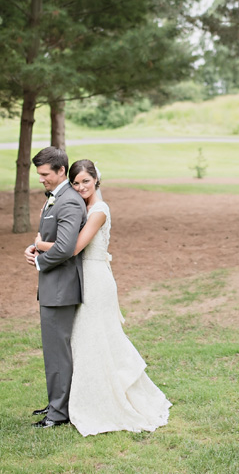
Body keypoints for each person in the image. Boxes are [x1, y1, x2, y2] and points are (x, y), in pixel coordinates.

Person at [34, 159, 171, 436]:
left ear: (97, 179)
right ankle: (77, 400)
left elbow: (73, 247)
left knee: (98, 339)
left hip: (96, 280)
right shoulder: (79, 206)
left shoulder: (98, 210)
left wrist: (38, 246)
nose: (81, 186)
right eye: (76, 183)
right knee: (84, 341)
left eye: (86, 181)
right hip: (83, 279)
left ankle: (105, 401)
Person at [24, 146, 87, 429]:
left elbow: (65, 248)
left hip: (61, 289)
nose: (41, 179)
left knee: (57, 352)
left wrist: (39, 262)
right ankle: (56, 403)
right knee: (54, 351)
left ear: (61, 171)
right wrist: (35, 248)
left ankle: (58, 413)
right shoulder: (56, 198)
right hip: (54, 286)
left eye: (45, 174)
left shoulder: (69, 201)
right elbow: (51, 239)